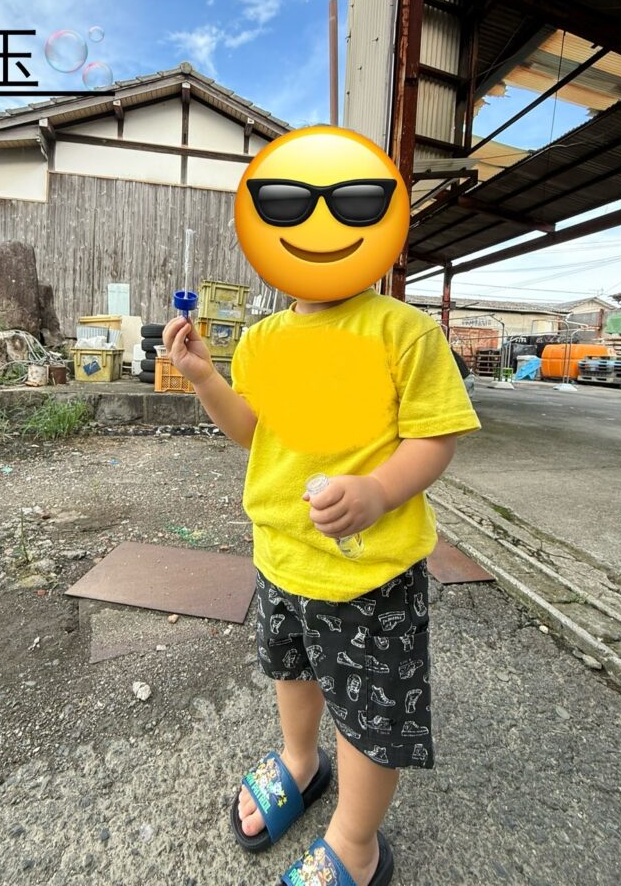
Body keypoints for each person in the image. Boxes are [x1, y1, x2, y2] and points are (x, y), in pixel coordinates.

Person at [162, 126, 481, 886]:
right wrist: (205, 378)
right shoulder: (263, 339)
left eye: (351, 206)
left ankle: (355, 842)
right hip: (280, 556)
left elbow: (435, 437)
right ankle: (301, 762)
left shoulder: (403, 331)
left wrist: (378, 490)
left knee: (371, 715)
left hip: (369, 573)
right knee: (293, 672)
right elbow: (253, 432)